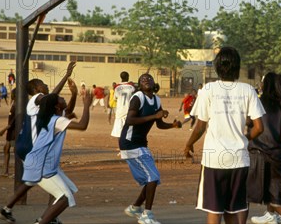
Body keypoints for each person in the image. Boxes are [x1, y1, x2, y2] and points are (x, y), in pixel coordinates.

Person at [184, 46, 265, 224]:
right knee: (232, 210)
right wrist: (245, 138)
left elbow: (199, 126)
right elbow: (259, 127)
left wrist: (188, 144)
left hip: (214, 159)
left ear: (217, 67)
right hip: (239, 159)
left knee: (214, 210)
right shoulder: (248, 90)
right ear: (237, 67)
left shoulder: (208, 90)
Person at [0, 61, 77, 224]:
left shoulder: (43, 106)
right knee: (52, 176)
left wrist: (73, 96)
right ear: (37, 88)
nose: (46, 85)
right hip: (32, 148)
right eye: (43, 84)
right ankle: (49, 217)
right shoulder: (36, 99)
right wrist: (66, 75)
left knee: (33, 180)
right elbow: (52, 96)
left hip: (29, 147)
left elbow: (65, 110)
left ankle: (7, 208)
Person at [23, 90, 92, 224]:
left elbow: (67, 114)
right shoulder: (57, 120)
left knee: (69, 189)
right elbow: (82, 126)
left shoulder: (53, 118)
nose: (63, 99)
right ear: (56, 106)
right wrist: (86, 106)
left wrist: (74, 94)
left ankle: (47, 219)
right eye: (60, 98)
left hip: (45, 164)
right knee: (65, 197)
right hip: (40, 165)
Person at [120, 73, 181, 224]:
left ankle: (135, 208)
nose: (146, 80)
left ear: (154, 83)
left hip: (141, 143)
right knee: (153, 177)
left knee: (152, 178)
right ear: (139, 85)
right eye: (142, 79)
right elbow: (130, 120)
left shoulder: (156, 100)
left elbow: (159, 124)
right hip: (130, 142)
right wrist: (155, 116)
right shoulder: (138, 97)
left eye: (149, 78)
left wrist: (172, 125)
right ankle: (147, 215)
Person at [249, 73, 281, 224]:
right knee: (279, 190)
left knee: (248, 193)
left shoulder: (259, 102)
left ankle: (272, 215)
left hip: (264, 150)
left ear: (264, 85)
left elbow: (257, 127)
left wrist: (247, 137)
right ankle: (279, 216)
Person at [111, 72, 136, 138]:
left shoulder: (117, 88)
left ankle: (120, 146)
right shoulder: (132, 87)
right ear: (128, 77)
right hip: (129, 110)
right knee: (129, 130)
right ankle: (128, 146)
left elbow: (115, 98)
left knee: (119, 131)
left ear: (120, 77)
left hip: (120, 111)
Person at [0, 89, 16, 177]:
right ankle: (6, 171)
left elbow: (12, 122)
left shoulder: (17, 106)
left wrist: (3, 130)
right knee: (6, 149)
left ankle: (18, 172)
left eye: (12, 94)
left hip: (14, 132)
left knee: (15, 150)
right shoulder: (14, 105)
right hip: (11, 132)